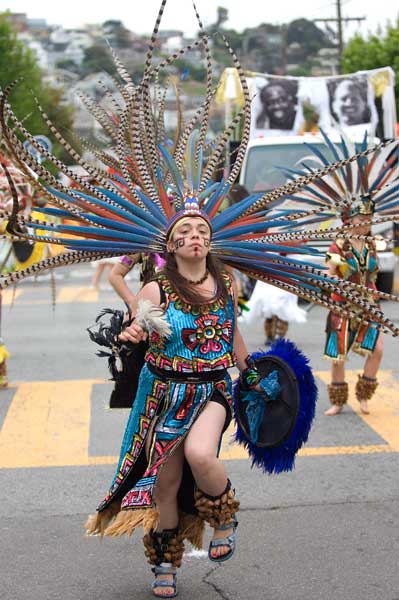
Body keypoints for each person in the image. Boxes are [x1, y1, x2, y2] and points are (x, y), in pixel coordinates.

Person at [86, 205, 259, 597]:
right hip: (165, 394)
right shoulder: (156, 287)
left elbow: (233, 336)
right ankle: (165, 562)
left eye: (202, 229)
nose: (195, 234)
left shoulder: (225, 282)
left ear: (210, 241)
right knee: (165, 485)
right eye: (186, 229)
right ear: (172, 243)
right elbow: (140, 325)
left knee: (201, 454)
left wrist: (250, 373)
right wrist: (130, 334)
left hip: (211, 389)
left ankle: (225, 518)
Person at [324, 210, 384, 416]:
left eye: (369, 220)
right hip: (343, 307)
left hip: (369, 306)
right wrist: (332, 276)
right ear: (350, 220)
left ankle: (364, 396)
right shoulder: (338, 245)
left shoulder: (372, 244)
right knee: (338, 355)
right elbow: (329, 273)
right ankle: (338, 401)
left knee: (377, 350)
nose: (366, 223)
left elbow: (373, 276)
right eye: (362, 219)